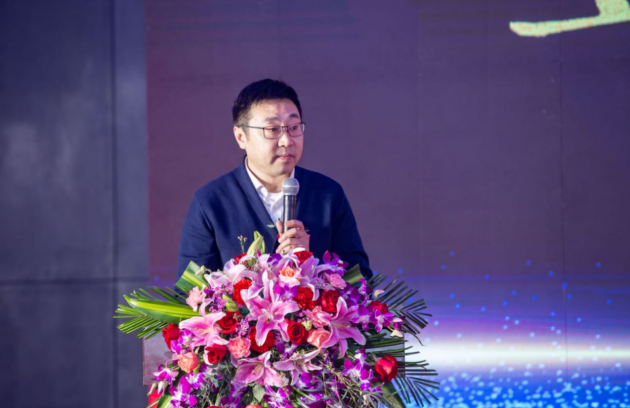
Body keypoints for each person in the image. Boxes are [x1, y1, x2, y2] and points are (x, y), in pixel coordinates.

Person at [176, 79, 372, 280]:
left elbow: (360, 280)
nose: (286, 141)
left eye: (293, 127)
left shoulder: (328, 194)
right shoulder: (210, 202)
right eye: (272, 129)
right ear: (241, 137)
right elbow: (189, 291)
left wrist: (310, 262)